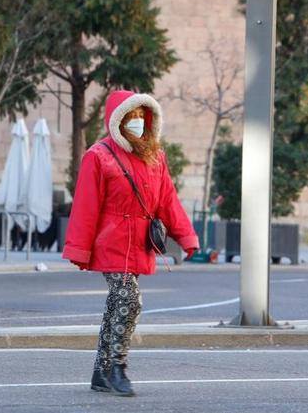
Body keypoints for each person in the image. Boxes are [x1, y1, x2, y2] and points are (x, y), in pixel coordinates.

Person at [62, 90, 199, 397]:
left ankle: (100, 372)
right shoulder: (99, 155)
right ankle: (116, 368)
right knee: (130, 300)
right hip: (110, 243)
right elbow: (86, 206)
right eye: (131, 116)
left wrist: (186, 237)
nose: (137, 122)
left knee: (117, 304)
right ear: (117, 120)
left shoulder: (155, 156)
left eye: (142, 116)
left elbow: (168, 201)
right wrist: (78, 248)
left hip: (140, 243)